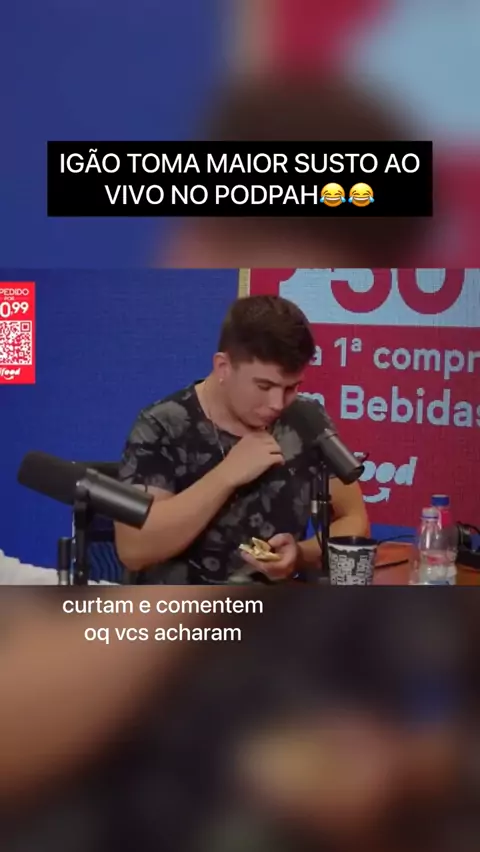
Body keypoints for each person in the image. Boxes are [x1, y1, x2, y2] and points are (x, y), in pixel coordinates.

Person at [114, 294, 369, 584]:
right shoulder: (162, 425)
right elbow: (133, 548)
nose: (277, 403)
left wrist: (299, 554)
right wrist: (226, 475)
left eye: (291, 388)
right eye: (264, 386)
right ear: (223, 367)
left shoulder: (305, 419)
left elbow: (355, 520)